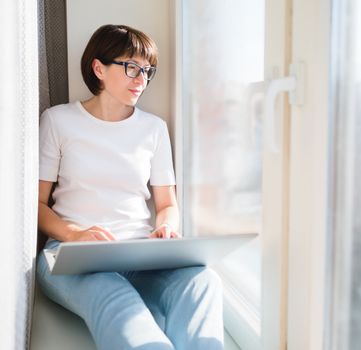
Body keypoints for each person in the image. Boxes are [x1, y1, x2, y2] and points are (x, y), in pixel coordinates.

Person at [36, 24, 224, 350]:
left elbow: (167, 206)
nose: (142, 80)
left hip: (140, 255)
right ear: (99, 68)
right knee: (116, 300)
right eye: (131, 67)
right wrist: (75, 235)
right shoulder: (58, 120)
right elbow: (36, 205)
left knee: (203, 280)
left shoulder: (153, 129)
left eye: (147, 71)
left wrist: (166, 230)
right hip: (71, 256)